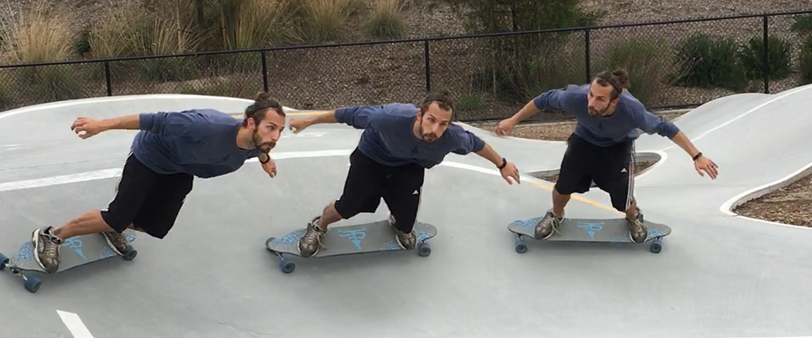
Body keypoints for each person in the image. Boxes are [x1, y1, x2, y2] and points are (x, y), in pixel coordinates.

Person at [31, 92, 286, 273]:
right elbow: (152, 120)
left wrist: (266, 160)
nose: (274, 137)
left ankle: (118, 219)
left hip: (179, 170)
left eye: (279, 131)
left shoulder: (255, 144)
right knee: (118, 216)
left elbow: (259, 151)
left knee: (157, 226)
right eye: (270, 128)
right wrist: (101, 125)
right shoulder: (206, 126)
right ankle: (52, 236)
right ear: (251, 122)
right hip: (150, 157)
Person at [495, 69, 719, 242]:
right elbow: (543, 100)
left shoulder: (633, 110)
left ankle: (633, 218)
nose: (591, 103)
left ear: (614, 101)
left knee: (622, 200)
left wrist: (696, 156)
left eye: (600, 99)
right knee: (563, 186)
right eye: (591, 95)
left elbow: (667, 128)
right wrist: (513, 120)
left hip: (618, 147)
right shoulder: (575, 97)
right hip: (583, 141)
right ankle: (556, 215)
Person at [288, 90, 521, 257]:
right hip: (372, 158)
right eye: (431, 120)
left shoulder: (453, 137)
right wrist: (308, 121)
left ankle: (398, 221)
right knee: (348, 206)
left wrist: (502, 164)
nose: (435, 129)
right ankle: (319, 226)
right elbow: (346, 114)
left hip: (409, 167)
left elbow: (478, 145)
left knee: (407, 223)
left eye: (442, 124)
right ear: (419, 115)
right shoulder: (389, 118)